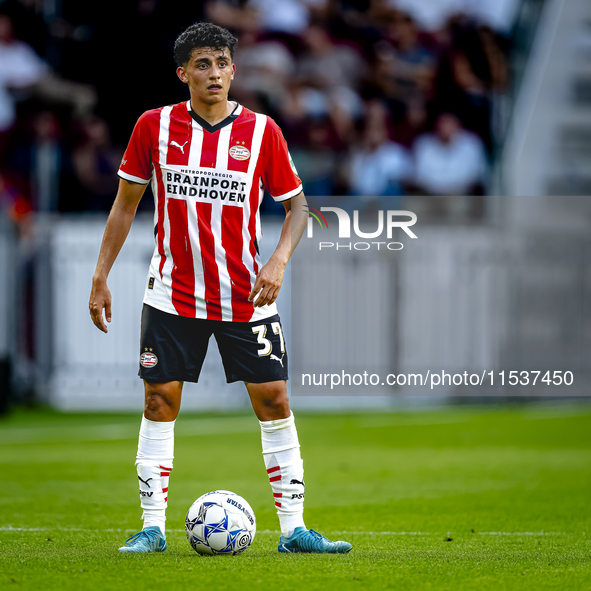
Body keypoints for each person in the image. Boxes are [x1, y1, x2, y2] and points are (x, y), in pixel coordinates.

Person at [88, 22, 352, 555]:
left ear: (235, 69)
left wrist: (278, 259)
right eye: (202, 64)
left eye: (222, 63)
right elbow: (125, 205)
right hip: (172, 293)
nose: (214, 74)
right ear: (183, 73)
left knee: (274, 399)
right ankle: (152, 529)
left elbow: (298, 206)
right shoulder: (153, 127)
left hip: (245, 297)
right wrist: (100, 275)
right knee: (160, 401)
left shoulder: (262, 132)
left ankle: (295, 529)